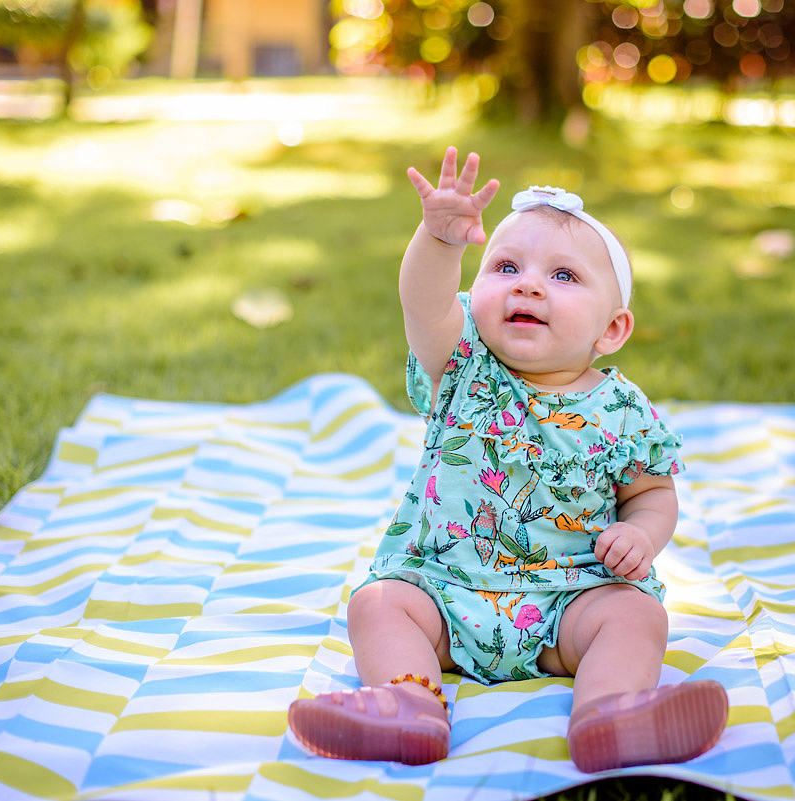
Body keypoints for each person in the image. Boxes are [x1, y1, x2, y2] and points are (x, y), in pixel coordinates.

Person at [289, 147, 727, 772]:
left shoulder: (623, 407)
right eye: (506, 266)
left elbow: (652, 494)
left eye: (564, 277)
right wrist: (440, 241)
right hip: (443, 594)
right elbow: (422, 302)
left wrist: (642, 534)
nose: (528, 284)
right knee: (378, 603)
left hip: (570, 600)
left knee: (635, 614)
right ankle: (408, 703)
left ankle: (611, 713)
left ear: (612, 330)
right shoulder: (463, 362)